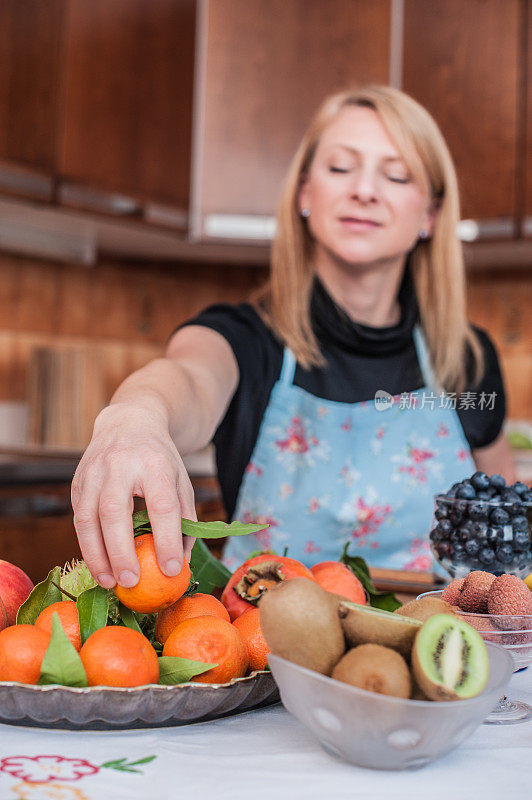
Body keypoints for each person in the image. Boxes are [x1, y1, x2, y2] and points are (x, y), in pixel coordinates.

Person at [71, 85, 515, 590]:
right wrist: (135, 419)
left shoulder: (465, 359)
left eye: (396, 175)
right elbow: (187, 377)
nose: (364, 190)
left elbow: (504, 526)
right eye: (341, 168)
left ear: (430, 215)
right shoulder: (246, 339)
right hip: (265, 656)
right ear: (306, 194)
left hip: (435, 654)